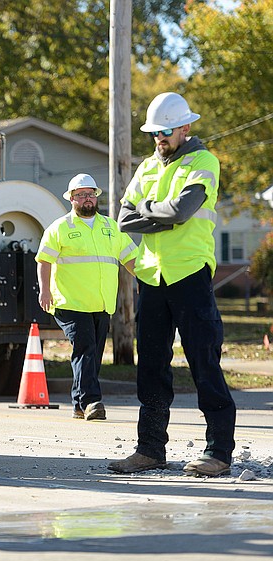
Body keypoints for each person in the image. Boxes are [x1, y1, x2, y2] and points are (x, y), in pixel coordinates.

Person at [108, 92, 236, 477]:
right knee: (150, 367)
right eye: (154, 132)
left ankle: (218, 452)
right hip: (150, 276)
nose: (159, 138)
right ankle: (149, 449)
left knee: (203, 360)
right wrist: (158, 215)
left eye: (165, 131)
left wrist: (149, 212)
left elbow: (182, 211)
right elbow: (123, 219)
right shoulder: (147, 167)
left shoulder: (203, 162)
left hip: (190, 273)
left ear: (185, 128)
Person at [36, 173, 137, 421]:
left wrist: (150, 281)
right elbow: (44, 260)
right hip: (70, 302)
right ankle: (92, 401)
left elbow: (131, 259)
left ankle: (79, 404)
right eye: (81, 195)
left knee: (92, 353)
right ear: (71, 199)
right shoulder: (60, 227)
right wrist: (45, 289)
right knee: (86, 349)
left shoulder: (111, 227)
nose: (87, 199)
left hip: (102, 303)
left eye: (90, 194)